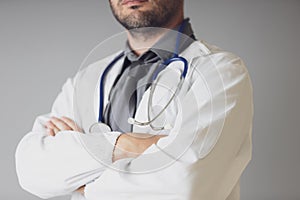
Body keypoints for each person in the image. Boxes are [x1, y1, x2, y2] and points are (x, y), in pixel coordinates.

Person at [15, 0, 253, 200]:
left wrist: (84, 186)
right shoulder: (87, 78)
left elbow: (183, 186)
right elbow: (32, 170)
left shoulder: (220, 71)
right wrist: (124, 145)